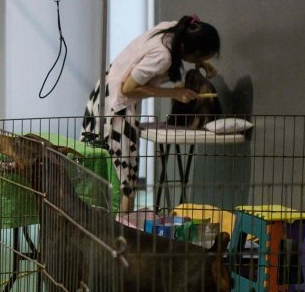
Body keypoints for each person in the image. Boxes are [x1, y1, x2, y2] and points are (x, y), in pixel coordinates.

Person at [82, 15, 220, 212]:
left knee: (110, 173)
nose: (203, 61)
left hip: (104, 93)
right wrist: (173, 93)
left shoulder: (174, 29)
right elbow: (128, 88)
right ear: (188, 50)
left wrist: (199, 63)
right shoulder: (162, 56)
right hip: (116, 107)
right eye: (202, 56)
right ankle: (122, 228)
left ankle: (115, 224)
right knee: (124, 178)